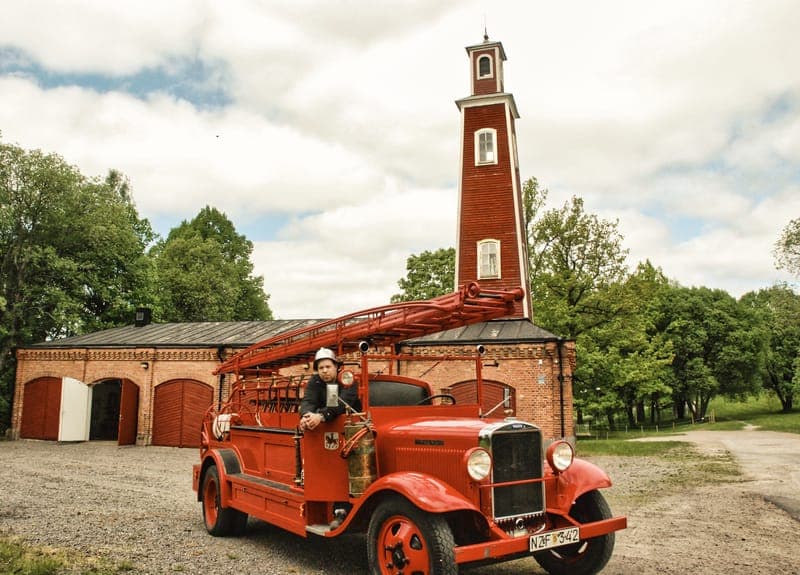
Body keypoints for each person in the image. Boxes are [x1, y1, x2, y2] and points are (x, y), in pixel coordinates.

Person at [299, 347, 360, 431]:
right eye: (321, 368)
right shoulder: (315, 380)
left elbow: (343, 402)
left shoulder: (346, 378)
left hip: (351, 426)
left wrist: (320, 416)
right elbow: (308, 400)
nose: (324, 371)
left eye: (328, 367)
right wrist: (306, 416)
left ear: (336, 366)